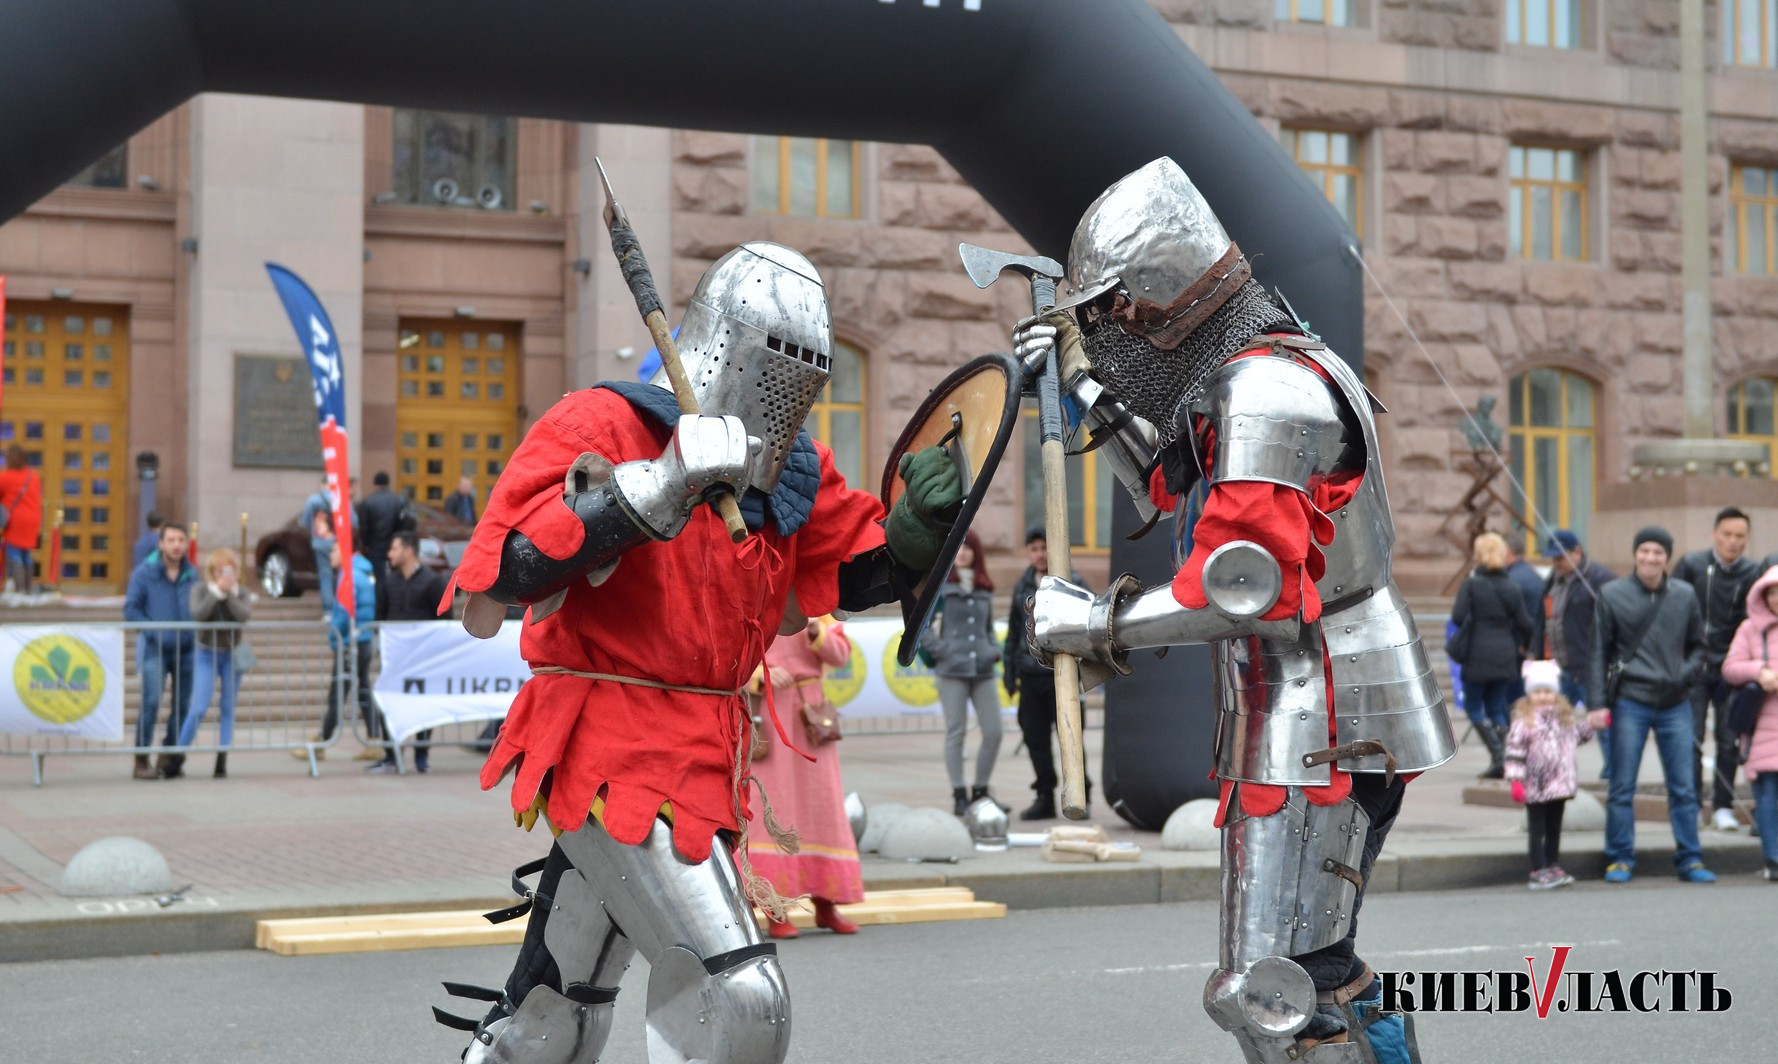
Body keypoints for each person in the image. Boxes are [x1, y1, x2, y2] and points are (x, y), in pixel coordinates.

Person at [429, 241, 962, 1064]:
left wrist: (915, 535)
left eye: (806, 373)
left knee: (549, 1021)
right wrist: (663, 481)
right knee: (740, 1001)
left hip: (708, 750)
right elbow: (503, 566)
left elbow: (854, 566)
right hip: (610, 740)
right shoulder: (603, 421)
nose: (785, 388)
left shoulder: (793, 474)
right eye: (775, 362)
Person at [1025, 158, 1452, 1063]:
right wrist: (1080, 385)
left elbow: (1242, 587)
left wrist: (1092, 626)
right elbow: (1166, 480)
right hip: (1316, 704)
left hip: (1326, 713)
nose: (1113, 330)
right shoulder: (1251, 372)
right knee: (1315, 968)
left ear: (1159, 298)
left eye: (1116, 311)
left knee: (1267, 990)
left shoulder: (1268, 388)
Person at [1592, 525, 1714, 885]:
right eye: (1644, 551)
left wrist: (1684, 674)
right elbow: (1598, 652)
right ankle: (1619, 858)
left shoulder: (1685, 594)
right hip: (1630, 701)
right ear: (1635, 554)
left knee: (1684, 787)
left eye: (1658, 552)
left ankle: (1690, 858)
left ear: (1667, 558)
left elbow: (1699, 646)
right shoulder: (1611, 594)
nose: (1650, 558)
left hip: (1676, 703)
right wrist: (1598, 703)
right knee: (1622, 786)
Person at [746, 616, 864, 940]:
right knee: (774, 805)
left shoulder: (820, 607)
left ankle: (827, 902)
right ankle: (775, 908)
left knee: (822, 806)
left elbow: (841, 656)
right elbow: (730, 656)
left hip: (812, 713)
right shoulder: (757, 596)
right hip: (768, 712)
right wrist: (760, 674)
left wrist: (817, 630)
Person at [1671, 506, 1759, 834]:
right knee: (1690, 738)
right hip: (1693, 666)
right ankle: (1692, 805)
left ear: (1747, 539)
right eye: (1727, 535)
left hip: (1731, 667)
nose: (1732, 542)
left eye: (1739, 536)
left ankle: (1723, 806)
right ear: (1714, 534)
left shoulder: (1752, 573)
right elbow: (1671, 608)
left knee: (1729, 739)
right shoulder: (1692, 564)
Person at [1003, 525, 1090, 820]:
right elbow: (1015, 632)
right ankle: (1044, 795)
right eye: (1034, 549)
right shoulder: (1022, 586)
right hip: (1030, 676)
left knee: (1071, 737)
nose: (1040, 555)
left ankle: (1080, 791)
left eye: (1044, 548)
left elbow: (1088, 631)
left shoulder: (1072, 582)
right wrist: (1009, 670)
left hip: (1063, 676)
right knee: (1035, 739)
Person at [1504, 659, 1609, 890]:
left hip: (1559, 785)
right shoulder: (1524, 722)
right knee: (1538, 829)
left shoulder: (1564, 718)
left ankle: (1552, 864)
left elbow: (1576, 737)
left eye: (1548, 691)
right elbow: (1515, 752)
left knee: (1554, 829)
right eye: (1538, 691)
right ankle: (1537, 868)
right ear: (1530, 694)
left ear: (1555, 693)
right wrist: (1516, 781)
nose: (1543, 696)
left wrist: (1592, 725)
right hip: (1536, 784)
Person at [920, 529, 1005, 816]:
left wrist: (993, 650)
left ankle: (981, 791)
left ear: (976, 554)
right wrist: (944, 651)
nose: (964, 553)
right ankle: (959, 793)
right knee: (956, 733)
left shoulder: (983, 588)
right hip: (951, 671)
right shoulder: (940, 588)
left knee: (994, 731)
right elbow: (921, 628)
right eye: (959, 548)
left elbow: (988, 628)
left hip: (982, 669)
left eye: (969, 548)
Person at [1530, 529, 1616, 773]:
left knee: (1599, 721)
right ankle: (1555, 767)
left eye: (1560, 558)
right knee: (1554, 722)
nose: (1556, 563)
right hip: (1559, 665)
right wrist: (1537, 655)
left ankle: (1613, 770)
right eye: (1553, 559)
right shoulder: (1554, 579)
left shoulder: (1599, 577)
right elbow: (1542, 619)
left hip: (1589, 665)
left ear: (1576, 552)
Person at [1452, 531, 1533, 779]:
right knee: (1497, 708)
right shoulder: (1511, 586)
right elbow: (1526, 624)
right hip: (1505, 653)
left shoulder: (1471, 584)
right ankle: (1509, 757)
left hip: (1477, 653)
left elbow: (1457, 616)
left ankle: (1499, 756)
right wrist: (1523, 645)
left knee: (1475, 707)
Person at [292, 542, 380, 761]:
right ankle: (374, 739)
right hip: (362, 639)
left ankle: (322, 741)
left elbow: (342, 612)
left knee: (339, 692)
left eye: (333, 550)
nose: (330, 554)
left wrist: (334, 638)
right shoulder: (360, 572)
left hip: (352, 642)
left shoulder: (349, 577)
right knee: (361, 689)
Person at [123, 522, 196, 779]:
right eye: (172, 540)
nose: (177, 545)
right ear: (161, 544)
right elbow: (131, 609)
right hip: (156, 649)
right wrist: (153, 631)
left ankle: (170, 756)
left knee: (183, 704)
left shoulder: (192, 574)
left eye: (181, 540)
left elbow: (199, 607)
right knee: (151, 701)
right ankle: (141, 759)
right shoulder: (145, 573)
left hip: (187, 650)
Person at [371, 530, 449, 773]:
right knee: (387, 701)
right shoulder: (389, 581)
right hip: (395, 658)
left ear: (408, 550)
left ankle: (421, 755)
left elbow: (444, 619)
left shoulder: (432, 581)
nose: (389, 554)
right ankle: (391, 755)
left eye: (394, 548)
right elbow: (380, 617)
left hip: (422, 659)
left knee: (422, 705)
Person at [1720, 566, 1778, 881]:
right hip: (1761, 727)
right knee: (1767, 795)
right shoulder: (1749, 629)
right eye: (1772, 592)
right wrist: (1759, 671)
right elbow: (1731, 668)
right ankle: (1773, 859)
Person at [176, 548, 251, 779]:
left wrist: (228, 594)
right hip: (206, 653)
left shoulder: (242, 593)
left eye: (230, 570)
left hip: (232, 654)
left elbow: (243, 615)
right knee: (199, 706)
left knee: (228, 706)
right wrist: (216, 592)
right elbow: (198, 613)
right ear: (211, 572)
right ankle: (178, 755)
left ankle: (222, 757)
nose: (226, 575)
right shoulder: (200, 589)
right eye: (221, 570)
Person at [0, 444, 43, 593]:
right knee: (27, 554)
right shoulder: (33, 476)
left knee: (14, 554)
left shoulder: (6, 477)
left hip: (15, 521)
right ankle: (28, 588)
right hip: (33, 519)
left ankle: (20, 589)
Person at [357, 471, 408, 589]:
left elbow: (363, 527)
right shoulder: (397, 500)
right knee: (396, 575)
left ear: (375, 484)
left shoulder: (368, 501)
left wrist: (366, 544)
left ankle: (380, 602)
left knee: (378, 577)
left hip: (375, 545)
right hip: (394, 544)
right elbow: (402, 523)